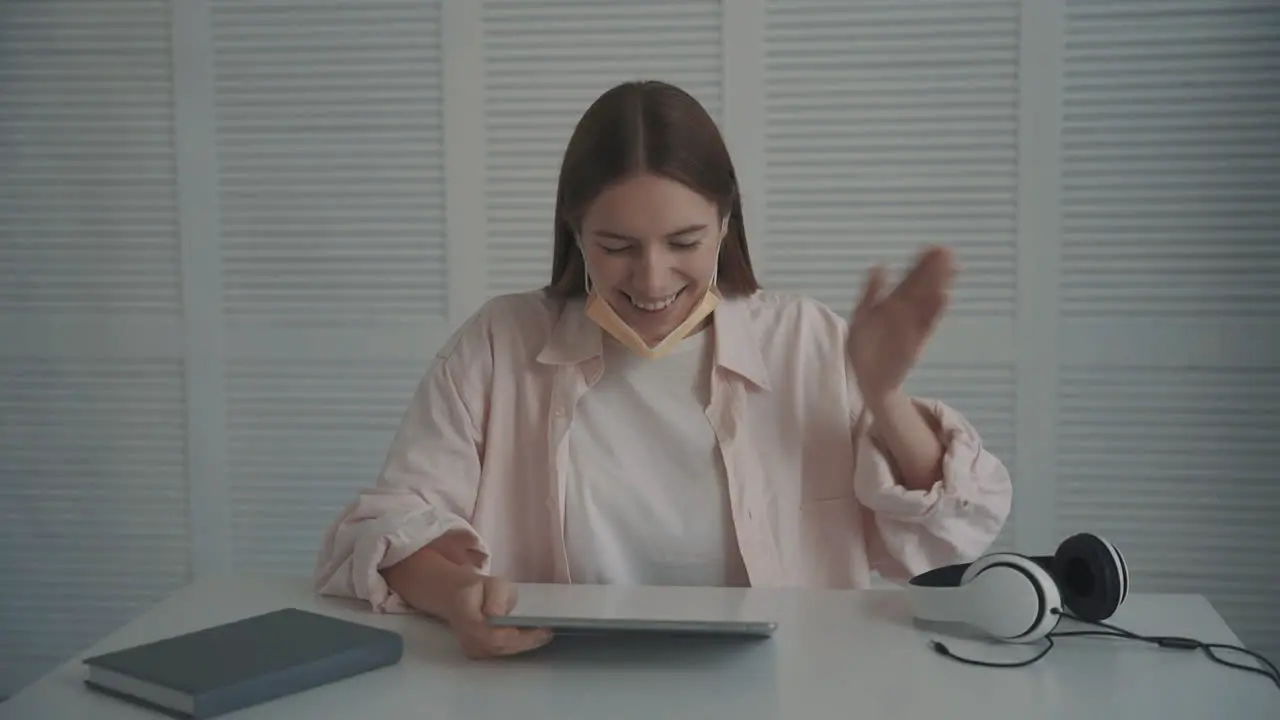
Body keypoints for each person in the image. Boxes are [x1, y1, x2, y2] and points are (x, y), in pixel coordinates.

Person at [313, 80, 1012, 659]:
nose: (651, 279)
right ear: (575, 230)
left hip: (789, 685)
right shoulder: (497, 344)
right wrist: (457, 594)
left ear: (726, 221)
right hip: (551, 681)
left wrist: (883, 395)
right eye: (616, 245)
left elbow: (950, 533)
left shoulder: (805, 338)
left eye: (684, 242)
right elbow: (384, 528)